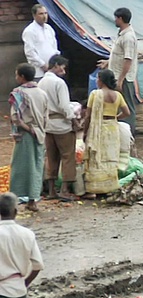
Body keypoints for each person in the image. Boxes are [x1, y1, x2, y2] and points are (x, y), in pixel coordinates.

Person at [0, 192, 44, 298]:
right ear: (16, 212)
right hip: (19, 286)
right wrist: (25, 283)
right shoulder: (27, 234)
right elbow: (38, 265)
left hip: (2, 290)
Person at [83, 70, 130, 198]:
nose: (96, 81)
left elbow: (88, 116)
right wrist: (115, 117)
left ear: (101, 80)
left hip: (98, 129)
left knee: (96, 156)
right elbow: (127, 113)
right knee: (110, 157)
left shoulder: (95, 94)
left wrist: (85, 132)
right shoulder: (117, 95)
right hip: (112, 128)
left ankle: (93, 189)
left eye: (97, 79)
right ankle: (109, 188)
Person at [8, 64, 48, 212]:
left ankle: (13, 200)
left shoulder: (18, 93)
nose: (16, 77)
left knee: (20, 167)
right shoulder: (41, 93)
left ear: (22, 77)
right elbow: (45, 115)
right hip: (40, 133)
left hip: (26, 134)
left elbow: (15, 117)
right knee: (36, 167)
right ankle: (33, 200)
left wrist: (27, 129)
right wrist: (38, 130)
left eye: (17, 74)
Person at [38, 55, 77, 200]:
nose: (64, 71)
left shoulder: (41, 83)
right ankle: (65, 190)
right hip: (62, 125)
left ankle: (52, 190)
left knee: (51, 157)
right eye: (62, 67)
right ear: (55, 65)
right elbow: (64, 106)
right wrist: (73, 119)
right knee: (67, 156)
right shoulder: (59, 83)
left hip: (48, 125)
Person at [97, 8, 138, 136]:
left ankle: (128, 135)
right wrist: (108, 62)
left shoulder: (128, 37)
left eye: (116, 18)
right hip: (117, 75)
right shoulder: (122, 34)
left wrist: (120, 80)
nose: (114, 20)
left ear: (120, 19)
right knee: (118, 104)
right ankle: (120, 133)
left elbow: (128, 60)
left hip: (124, 78)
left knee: (126, 107)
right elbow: (119, 56)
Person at [21, 4, 60, 81]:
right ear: (34, 15)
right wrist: (43, 65)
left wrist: (56, 63)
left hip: (52, 70)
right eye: (41, 14)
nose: (44, 16)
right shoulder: (30, 31)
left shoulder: (49, 29)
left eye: (45, 13)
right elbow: (30, 52)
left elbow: (54, 47)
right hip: (38, 72)